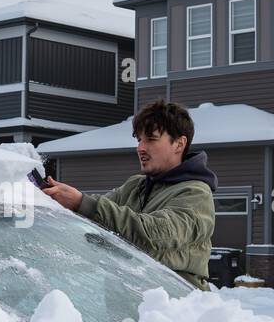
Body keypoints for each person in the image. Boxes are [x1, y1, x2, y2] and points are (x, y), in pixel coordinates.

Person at [42, 100, 218, 288]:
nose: (140, 148)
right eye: (139, 139)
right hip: (128, 307)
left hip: (174, 307)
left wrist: (80, 202)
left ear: (179, 144)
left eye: (151, 139)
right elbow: (93, 219)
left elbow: (153, 235)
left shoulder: (195, 194)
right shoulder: (136, 186)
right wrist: (55, 197)